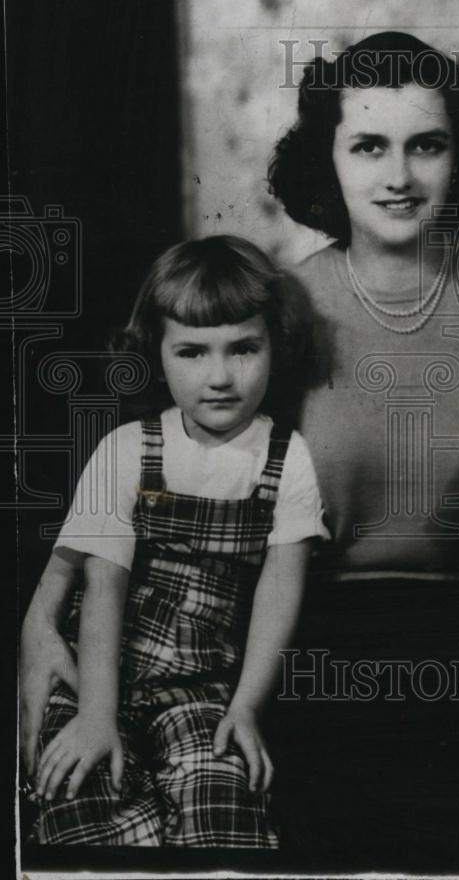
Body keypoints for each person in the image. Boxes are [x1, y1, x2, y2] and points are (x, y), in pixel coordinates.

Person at [264, 30, 459, 869]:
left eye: (424, 145)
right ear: (325, 162)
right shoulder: (283, 303)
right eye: (368, 146)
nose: (397, 177)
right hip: (315, 645)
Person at [22, 235, 326, 846]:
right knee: (82, 798)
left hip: (203, 687)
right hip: (95, 676)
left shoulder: (287, 458)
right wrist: (96, 715)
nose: (219, 377)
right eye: (192, 352)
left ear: (276, 346)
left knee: (221, 806)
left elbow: (278, 592)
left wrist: (246, 707)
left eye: (244, 348)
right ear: (156, 354)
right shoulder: (129, 449)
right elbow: (102, 588)